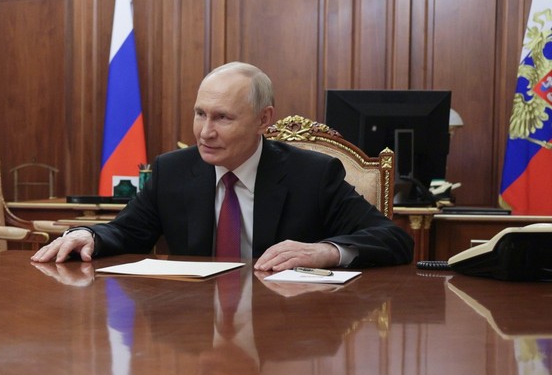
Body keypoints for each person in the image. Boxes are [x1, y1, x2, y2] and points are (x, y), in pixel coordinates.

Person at [31, 61, 413, 270]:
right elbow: (127, 232)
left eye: (223, 118)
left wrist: (328, 251)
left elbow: (394, 240)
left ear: (264, 120)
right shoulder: (173, 171)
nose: (205, 132)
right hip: (195, 325)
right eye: (200, 114)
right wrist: (89, 235)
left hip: (286, 323)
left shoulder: (312, 174)